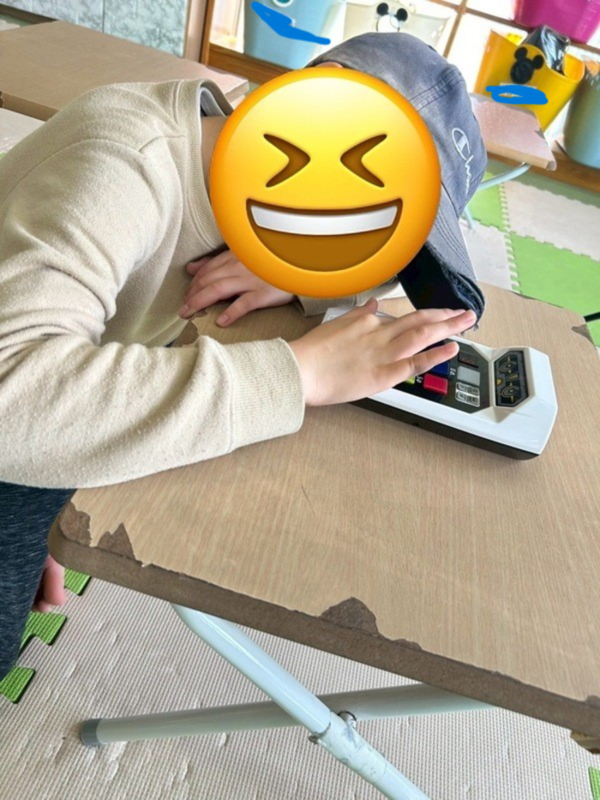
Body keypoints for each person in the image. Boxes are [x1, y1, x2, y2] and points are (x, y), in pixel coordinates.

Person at [0, 32, 485, 680]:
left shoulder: (248, 198)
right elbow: (15, 397)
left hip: (51, 394)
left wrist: (293, 274)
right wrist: (296, 374)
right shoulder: (122, 162)